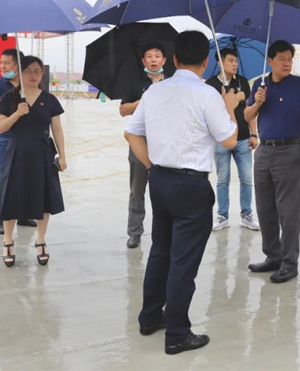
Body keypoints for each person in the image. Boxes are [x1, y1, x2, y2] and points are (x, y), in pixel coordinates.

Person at [124, 30, 240, 355]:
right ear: (207, 62)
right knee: (183, 261)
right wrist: (230, 107)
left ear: (174, 59)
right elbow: (230, 139)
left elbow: (131, 134)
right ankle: (177, 333)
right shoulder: (207, 95)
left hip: (160, 180)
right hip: (190, 185)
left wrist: (152, 166)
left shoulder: (155, 91)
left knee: (160, 251)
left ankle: (150, 316)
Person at [244, 40, 300, 284]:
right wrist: (258, 102)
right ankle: (272, 256)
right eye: (282, 59)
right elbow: (247, 115)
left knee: (289, 210)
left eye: (290, 59)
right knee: (265, 208)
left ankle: (289, 263)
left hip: (289, 151)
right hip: (264, 151)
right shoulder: (260, 85)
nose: (287, 63)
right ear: (270, 61)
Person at [0, 56, 67, 267]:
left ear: (42, 74)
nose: (33, 75)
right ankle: (8, 242)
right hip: (16, 151)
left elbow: (57, 129)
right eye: (28, 71)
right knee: (11, 196)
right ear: (20, 73)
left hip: (42, 152)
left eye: (37, 71)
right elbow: (0, 127)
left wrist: (62, 155)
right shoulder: (9, 98)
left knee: (43, 198)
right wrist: (17, 113)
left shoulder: (49, 100)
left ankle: (41, 240)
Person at [204, 47, 260, 231]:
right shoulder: (211, 85)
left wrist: (253, 134)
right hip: (221, 139)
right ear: (219, 62)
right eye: (230, 60)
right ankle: (222, 216)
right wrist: (233, 98)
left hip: (243, 138)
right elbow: (210, 112)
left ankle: (247, 215)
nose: (234, 64)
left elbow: (250, 112)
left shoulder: (243, 82)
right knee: (222, 179)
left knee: (247, 178)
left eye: (235, 61)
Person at [119, 44, 167, 249]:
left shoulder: (171, 83)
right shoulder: (135, 83)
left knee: (163, 190)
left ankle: (162, 231)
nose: (153, 59)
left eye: (157, 56)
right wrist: (143, 101)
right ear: (143, 61)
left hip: (164, 142)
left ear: (164, 60)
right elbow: (123, 110)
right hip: (139, 141)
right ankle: (135, 232)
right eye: (149, 56)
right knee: (137, 189)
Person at [0, 48, 36, 234]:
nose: (2, 66)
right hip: (4, 138)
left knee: (25, 177)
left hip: (26, 137)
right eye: (1, 63)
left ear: (18, 66)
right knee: (1, 179)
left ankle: (23, 215)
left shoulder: (30, 84)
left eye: (7, 63)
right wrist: (19, 105)